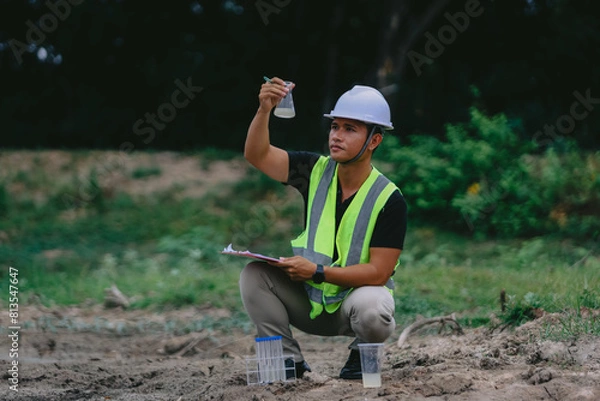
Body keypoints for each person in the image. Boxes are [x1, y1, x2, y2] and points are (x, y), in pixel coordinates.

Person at [240, 77, 407, 380]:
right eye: (335, 126)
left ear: (374, 140)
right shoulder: (313, 170)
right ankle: (285, 362)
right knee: (254, 275)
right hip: (309, 301)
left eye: (349, 129)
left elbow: (380, 273)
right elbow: (257, 155)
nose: (337, 136)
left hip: (353, 309)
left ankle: (362, 359)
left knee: (375, 305)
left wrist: (317, 271)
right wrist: (264, 110)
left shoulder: (389, 199)